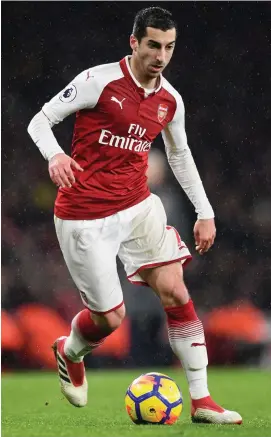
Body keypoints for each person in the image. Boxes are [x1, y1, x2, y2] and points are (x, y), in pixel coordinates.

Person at [27, 6, 242, 425]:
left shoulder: (170, 100)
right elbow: (40, 120)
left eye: (169, 47)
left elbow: (180, 155)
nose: (161, 55)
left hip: (138, 206)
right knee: (111, 318)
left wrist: (206, 211)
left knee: (177, 292)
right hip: (84, 215)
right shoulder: (98, 81)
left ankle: (201, 401)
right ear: (134, 43)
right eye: (153, 45)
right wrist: (55, 155)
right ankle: (70, 350)